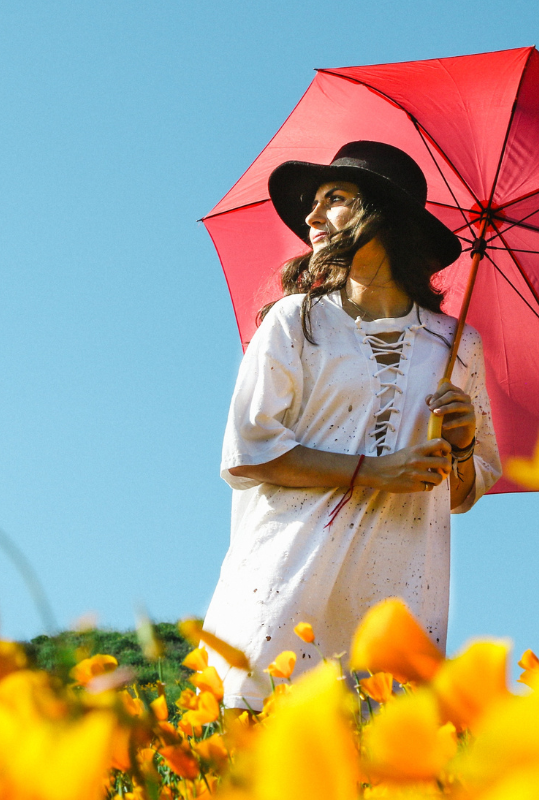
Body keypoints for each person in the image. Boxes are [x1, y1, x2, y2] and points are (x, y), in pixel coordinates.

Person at [201, 140, 501, 709]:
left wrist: (461, 447)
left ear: (383, 215)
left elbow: (461, 492)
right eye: (313, 203)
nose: (312, 218)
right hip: (287, 573)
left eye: (334, 199)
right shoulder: (298, 321)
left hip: (399, 585)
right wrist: (374, 472)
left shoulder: (458, 346)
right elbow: (249, 450)